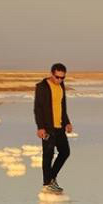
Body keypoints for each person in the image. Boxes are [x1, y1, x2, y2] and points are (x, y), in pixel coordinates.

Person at [33, 62, 73, 192]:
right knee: (48, 155)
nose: (60, 80)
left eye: (63, 78)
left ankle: (52, 178)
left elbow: (62, 106)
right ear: (52, 74)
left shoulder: (61, 86)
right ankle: (46, 184)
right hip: (48, 127)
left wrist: (67, 122)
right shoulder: (42, 87)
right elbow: (37, 108)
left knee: (65, 152)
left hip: (60, 126)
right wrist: (40, 127)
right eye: (57, 77)